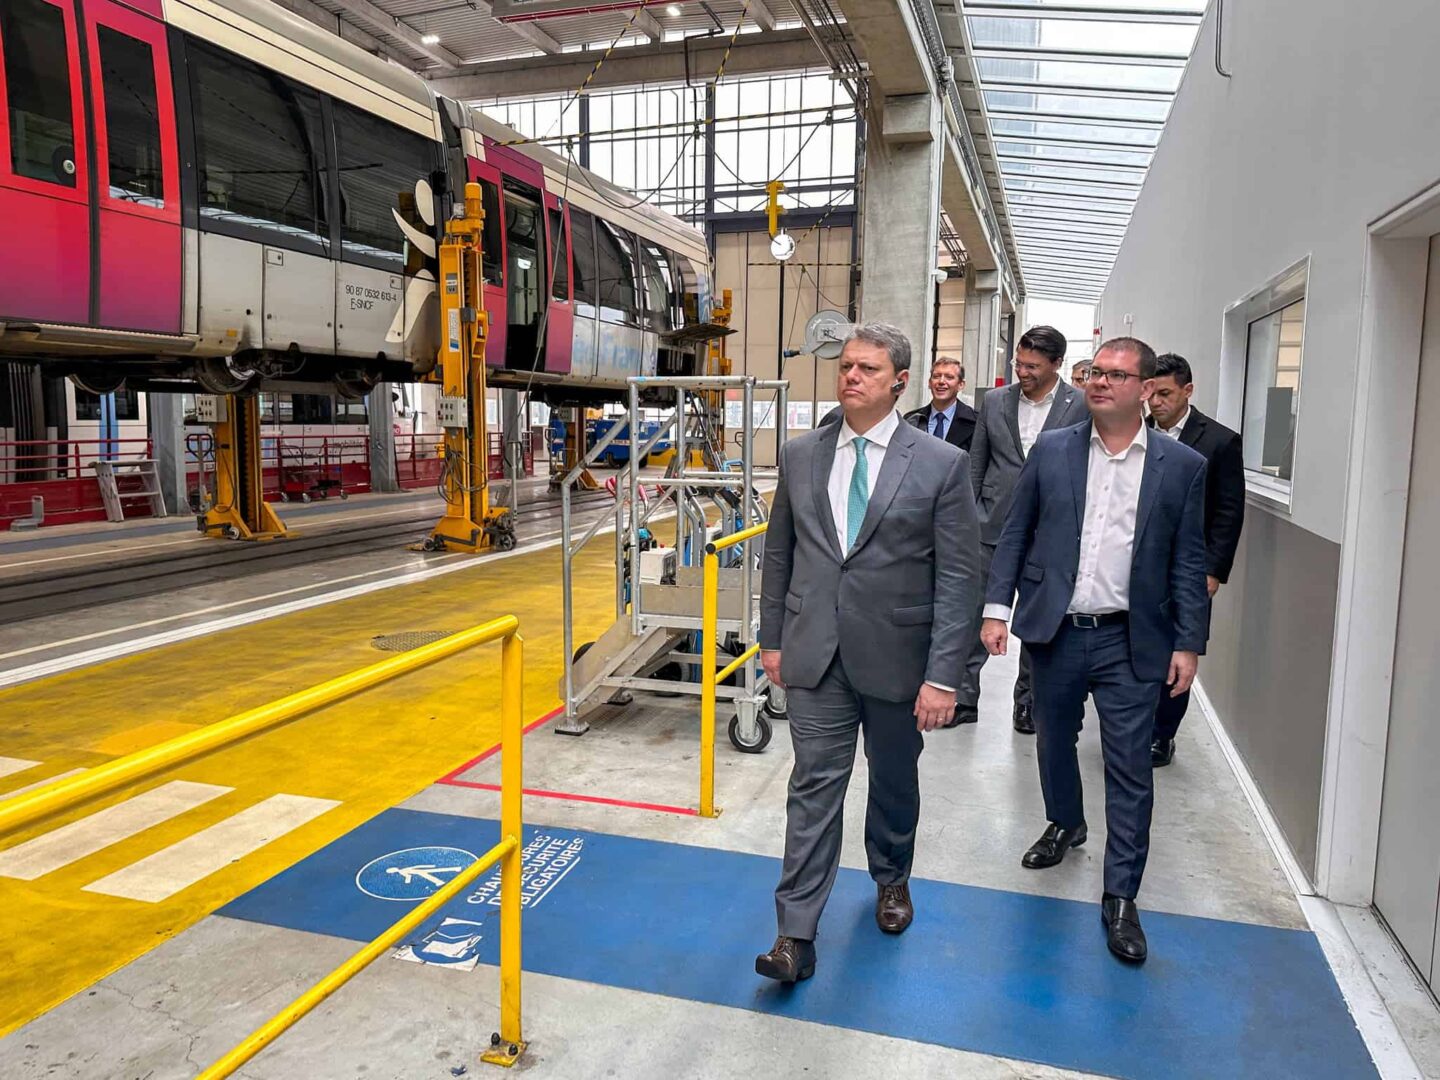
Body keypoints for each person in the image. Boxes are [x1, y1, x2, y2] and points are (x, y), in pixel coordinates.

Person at [755, 322, 981, 983]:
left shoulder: (941, 464)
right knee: (813, 788)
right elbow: (780, 554)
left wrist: (945, 676)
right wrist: (772, 640)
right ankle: (795, 933)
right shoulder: (802, 455)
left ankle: (890, 878)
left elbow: (961, 578)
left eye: (868, 369)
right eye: (846, 366)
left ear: (900, 381)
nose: (852, 376)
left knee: (891, 783)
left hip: (899, 661)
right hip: (816, 655)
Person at [980, 336, 1209, 964]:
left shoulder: (1180, 467)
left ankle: (1120, 897)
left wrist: (1189, 642)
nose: (1099, 382)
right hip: (1055, 629)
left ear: (1144, 389)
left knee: (1129, 765)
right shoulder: (1053, 451)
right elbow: (1015, 532)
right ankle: (1065, 822)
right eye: (1094, 372)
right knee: (1052, 739)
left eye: (1115, 375)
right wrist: (998, 609)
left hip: (1131, 638)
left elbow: (1189, 561)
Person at [960, 326, 1088, 732]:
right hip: (991, 526)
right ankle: (964, 695)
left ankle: (1028, 702)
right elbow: (977, 463)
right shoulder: (995, 401)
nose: (1023, 371)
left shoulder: (1081, 404)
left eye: (1033, 365)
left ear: (1056, 364)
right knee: (974, 613)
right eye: (1019, 362)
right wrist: (968, 516)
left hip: (1049, 533)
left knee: (1037, 622)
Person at [1146, 352, 1245, 767]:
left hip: (1189, 568)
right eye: (1151, 394)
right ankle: (1132, 723)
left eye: (1165, 394)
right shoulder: (1134, 433)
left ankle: (1161, 734)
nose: (1156, 403)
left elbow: (1228, 510)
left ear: (1188, 390)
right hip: (1140, 564)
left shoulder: (1219, 441)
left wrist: (1212, 570)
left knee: (1178, 651)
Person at [904, 355, 976, 451]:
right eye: (936, 376)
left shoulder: (976, 422)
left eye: (949, 377)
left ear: (961, 385)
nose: (941, 381)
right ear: (929, 383)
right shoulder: (911, 420)